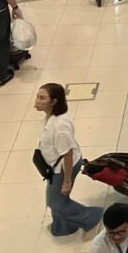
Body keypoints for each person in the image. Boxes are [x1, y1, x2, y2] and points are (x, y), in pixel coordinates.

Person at [35, 83, 103, 235]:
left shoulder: (60, 127)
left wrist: (67, 181)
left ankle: (93, 216)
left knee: (55, 201)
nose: (37, 101)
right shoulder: (52, 117)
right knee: (57, 198)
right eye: (37, 97)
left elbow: (68, 155)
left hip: (63, 168)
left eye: (42, 98)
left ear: (54, 101)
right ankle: (63, 227)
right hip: (55, 165)